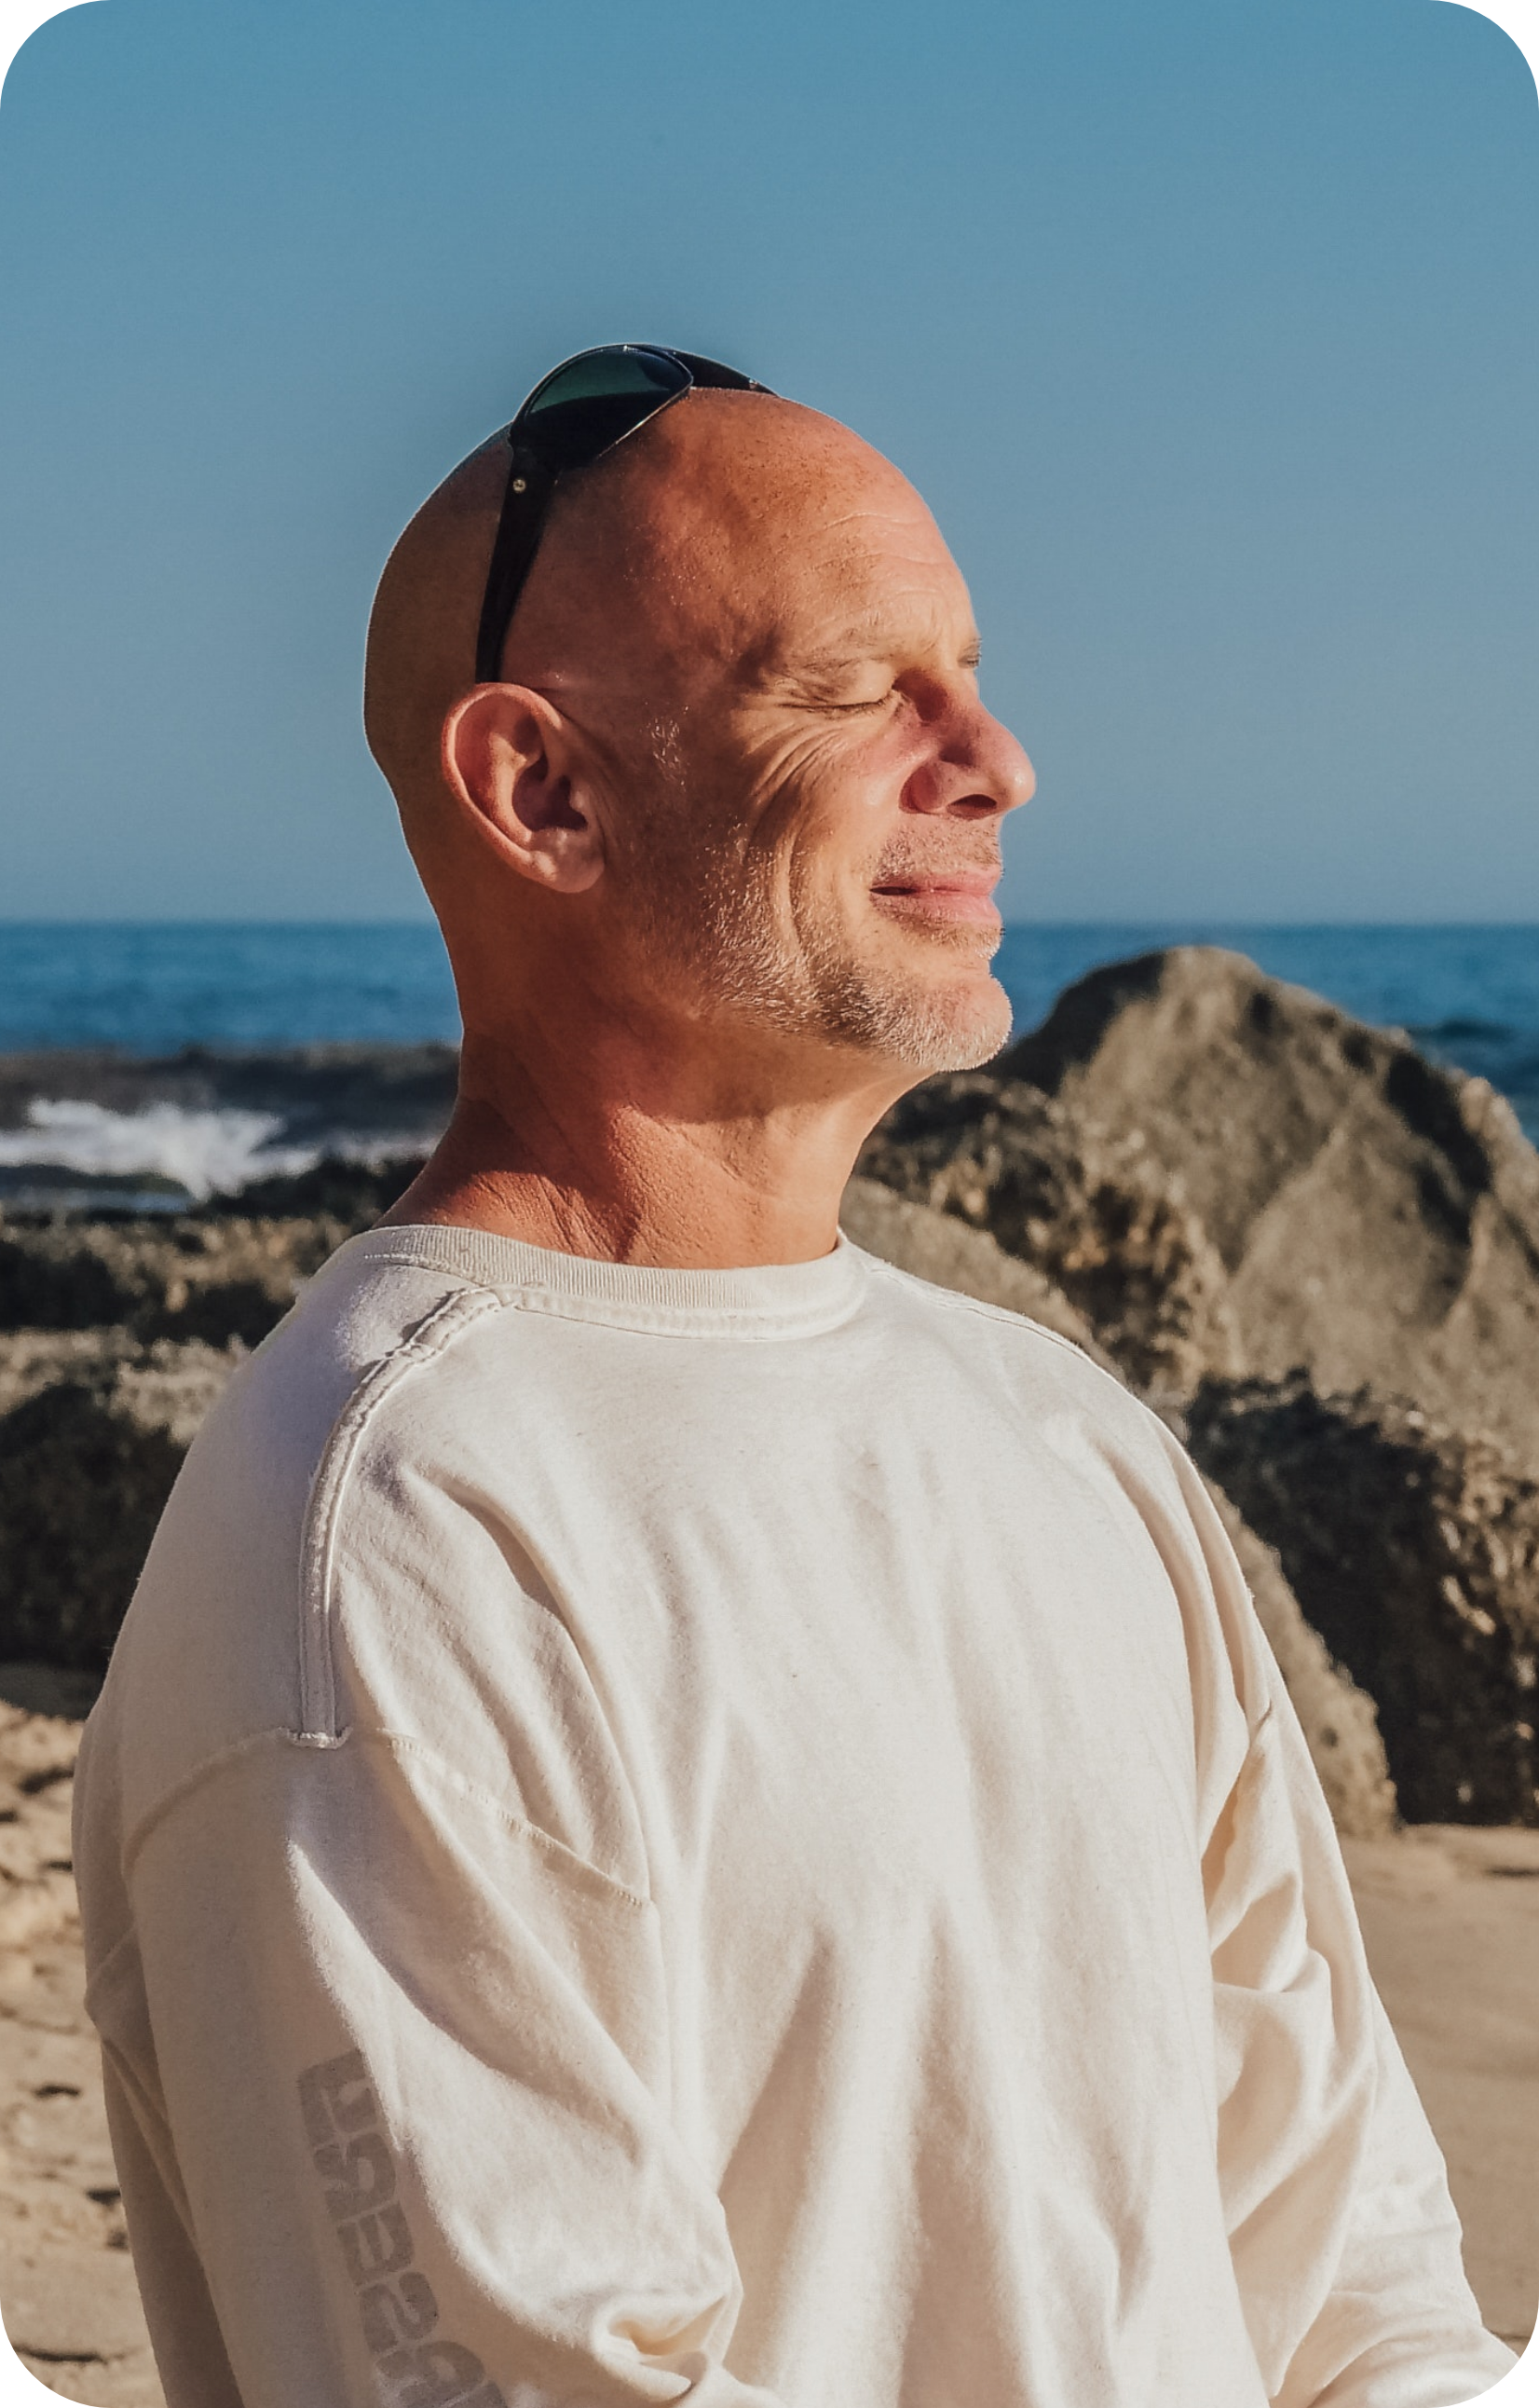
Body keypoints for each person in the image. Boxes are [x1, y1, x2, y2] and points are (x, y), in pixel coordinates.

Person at [73, 346, 1515, 2408]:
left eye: (970, 670)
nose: (996, 756)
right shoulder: (386, 1521)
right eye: (858, 690)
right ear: (542, 790)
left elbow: (1342, 2249)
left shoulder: (1065, 1435)